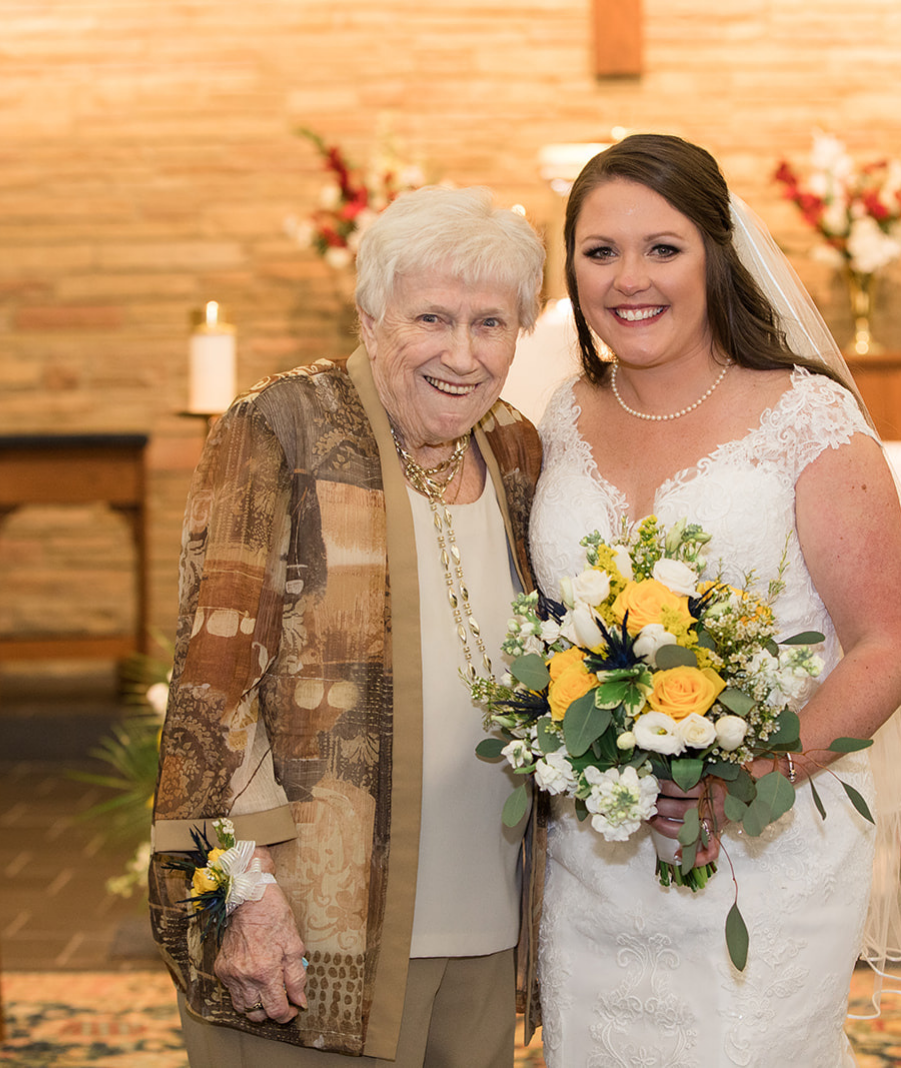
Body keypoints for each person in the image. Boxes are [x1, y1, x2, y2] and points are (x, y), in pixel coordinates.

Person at [527, 134, 901, 1065]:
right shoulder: (562, 415)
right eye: (600, 252)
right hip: (597, 851)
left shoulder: (809, 419)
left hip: (765, 845)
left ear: (717, 254)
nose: (630, 278)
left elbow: (885, 646)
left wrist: (752, 777)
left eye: (663, 248)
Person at [147, 185, 547, 1065]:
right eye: (431, 318)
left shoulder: (517, 445)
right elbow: (214, 682)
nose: (462, 353)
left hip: (485, 903)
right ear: (371, 320)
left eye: (492, 323)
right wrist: (242, 895)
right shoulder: (285, 427)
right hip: (316, 931)